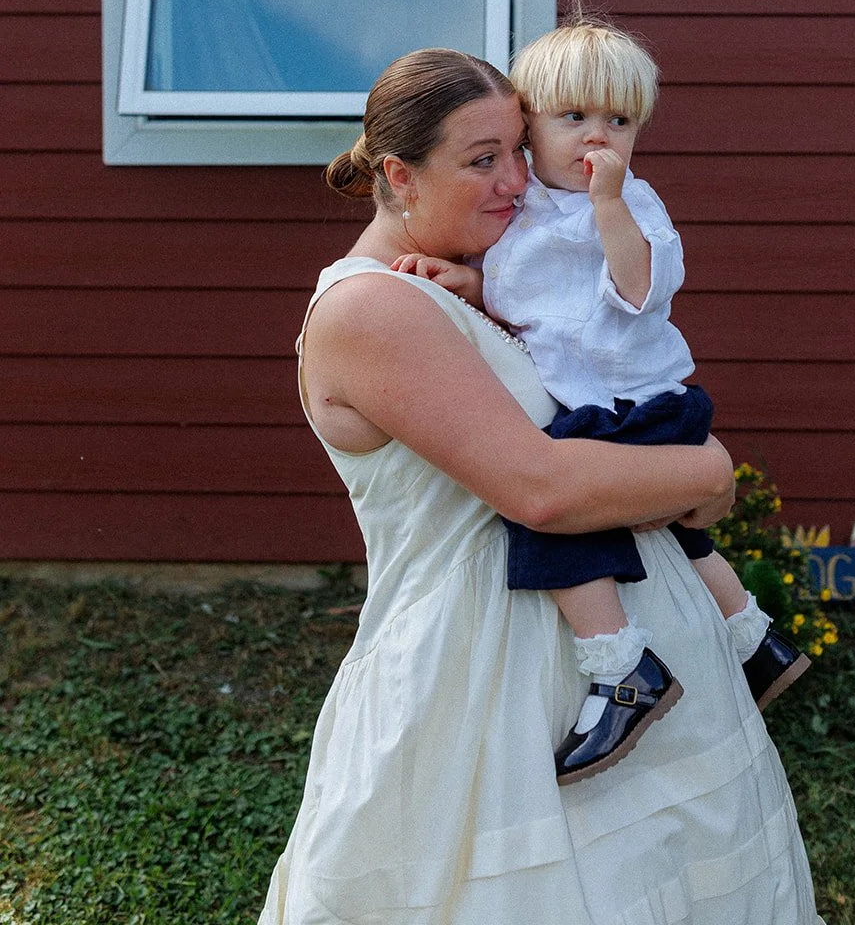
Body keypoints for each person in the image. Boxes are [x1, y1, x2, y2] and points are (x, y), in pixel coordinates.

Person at [258, 47, 825, 925]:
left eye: (519, 150)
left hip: (622, 660)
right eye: (482, 160)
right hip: (486, 681)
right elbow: (543, 489)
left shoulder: (479, 287)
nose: (518, 181)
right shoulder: (371, 309)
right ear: (399, 176)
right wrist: (707, 469)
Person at [397, 2, 808, 788]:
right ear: (528, 131)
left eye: (619, 121)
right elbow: (535, 298)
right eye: (572, 116)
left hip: (633, 403)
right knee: (681, 540)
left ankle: (620, 667)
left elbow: (636, 287)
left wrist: (612, 205)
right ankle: (752, 640)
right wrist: (469, 282)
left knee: (554, 525)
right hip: (596, 402)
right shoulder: (523, 212)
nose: (597, 137)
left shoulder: (629, 208)